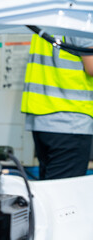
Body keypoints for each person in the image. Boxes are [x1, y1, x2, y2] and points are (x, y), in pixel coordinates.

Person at [21, 33, 93, 180]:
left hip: (43, 118)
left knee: (50, 190)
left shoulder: (50, 17)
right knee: (62, 196)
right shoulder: (82, 18)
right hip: (70, 119)